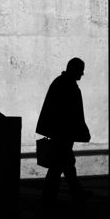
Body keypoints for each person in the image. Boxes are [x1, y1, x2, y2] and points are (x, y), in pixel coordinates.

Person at [36, 57, 91, 206]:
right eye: (81, 69)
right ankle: (72, 195)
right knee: (62, 165)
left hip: (60, 133)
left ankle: (56, 197)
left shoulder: (61, 82)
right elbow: (72, 113)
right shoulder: (68, 85)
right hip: (64, 134)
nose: (82, 73)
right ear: (75, 69)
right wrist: (81, 130)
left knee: (61, 165)